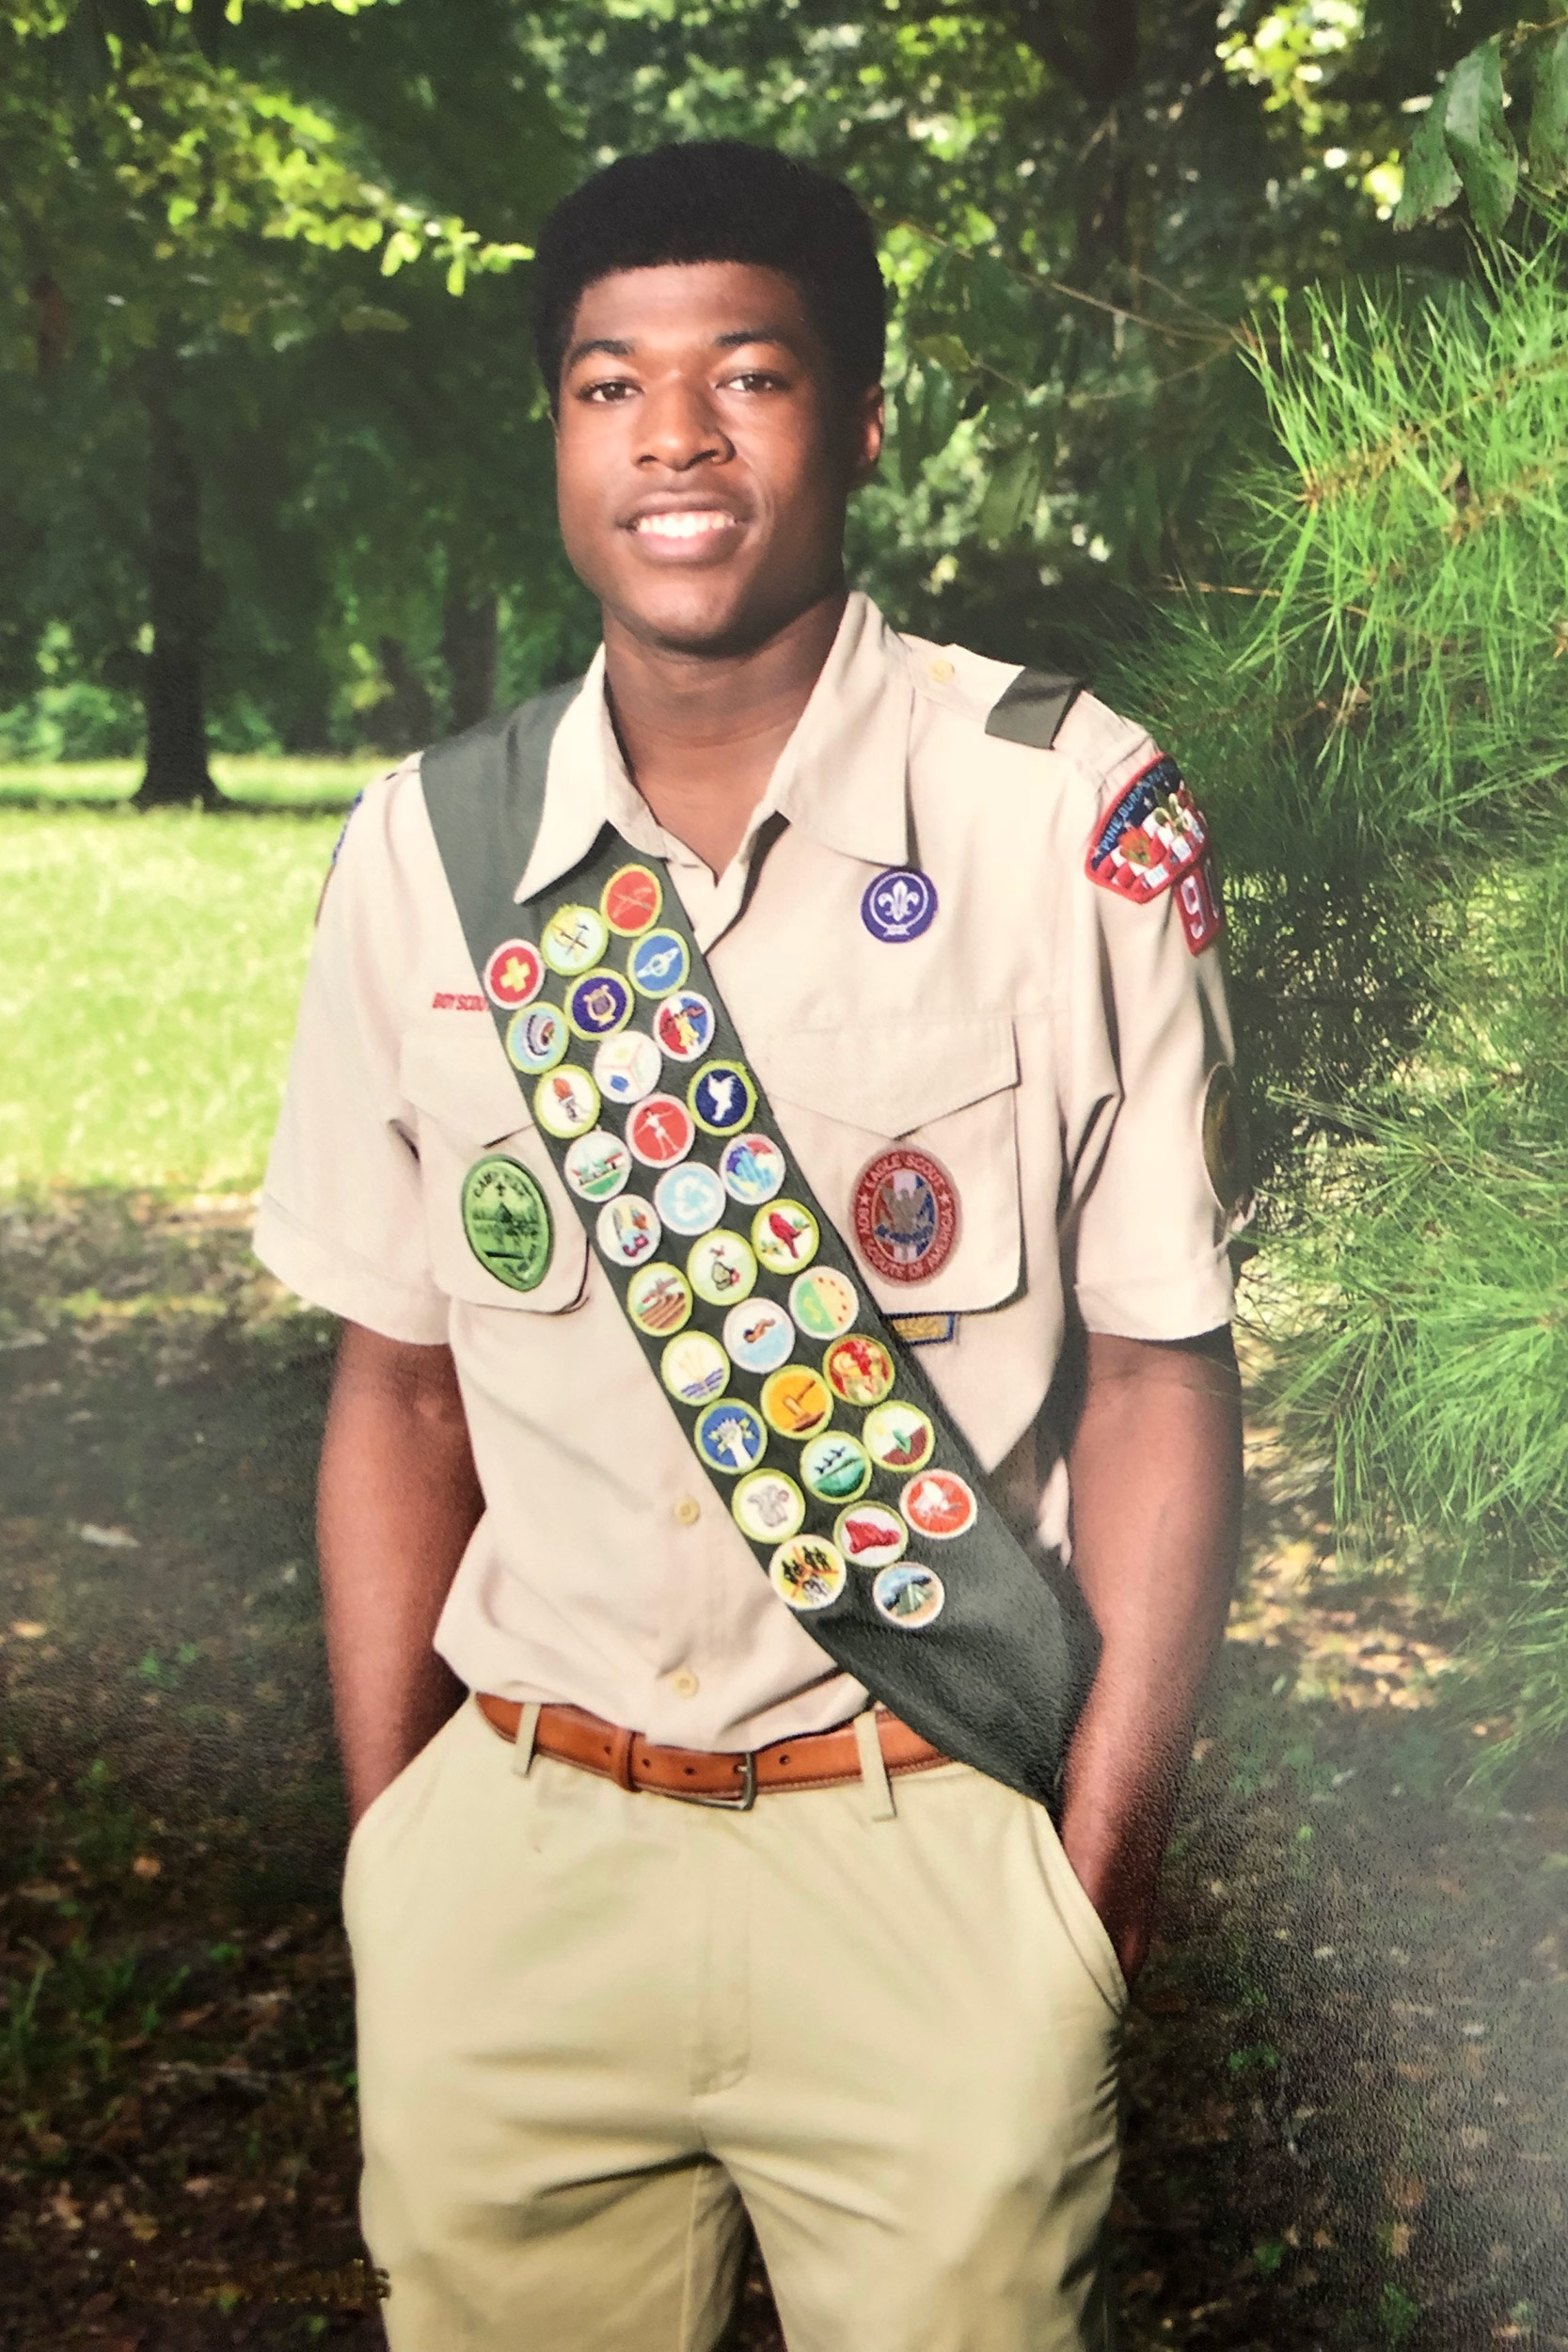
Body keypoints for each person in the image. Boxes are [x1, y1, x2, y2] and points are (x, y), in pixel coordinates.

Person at [255, 138, 1246, 2352]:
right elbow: (399, 1381)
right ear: (557, 433)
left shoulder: (1061, 810)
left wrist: (1095, 1880)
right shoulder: (433, 852)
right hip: (521, 1864)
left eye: (750, 376)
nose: (675, 439)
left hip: (924, 1856)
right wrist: (399, 1856)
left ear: (862, 419)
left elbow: (1166, 1367)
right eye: (611, 384)